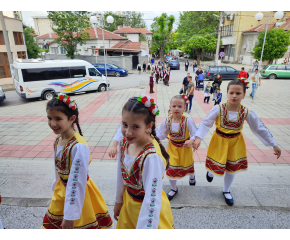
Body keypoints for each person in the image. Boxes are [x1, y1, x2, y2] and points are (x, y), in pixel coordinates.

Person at [193, 79, 281, 206]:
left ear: (244, 95)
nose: (234, 96)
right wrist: (198, 137)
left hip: (235, 143)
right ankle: (210, 172)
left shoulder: (246, 112)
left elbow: (259, 128)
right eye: (231, 92)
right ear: (227, 93)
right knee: (216, 161)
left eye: (238, 93)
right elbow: (206, 123)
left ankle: (226, 190)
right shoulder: (218, 109)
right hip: (219, 141)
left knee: (231, 168)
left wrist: (273, 144)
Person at [43, 94, 113, 229]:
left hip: (77, 195)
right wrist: (55, 186)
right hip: (62, 191)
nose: (52, 123)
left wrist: (70, 215)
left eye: (58, 118)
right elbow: (57, 169)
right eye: (49, 118)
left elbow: (76, 182)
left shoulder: (78, 146)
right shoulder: (58, 140)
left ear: (72, 118)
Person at [114, 95, 174, 229]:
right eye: (124, 125)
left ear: (148, 126)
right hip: (128, 203)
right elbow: (120, 174)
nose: (128, 132)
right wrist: (118, 200)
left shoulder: (151, 157)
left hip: (147, 212)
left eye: (135, 127)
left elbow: (152, 199)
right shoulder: (124, 142)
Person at [157, 95, 198, 201]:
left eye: (179, 106)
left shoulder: (187, 120)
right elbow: (161, 134)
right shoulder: (166, 121)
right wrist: (153, 137)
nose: (176, 108)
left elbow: (195, 133)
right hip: (173, 148)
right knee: (171, 168)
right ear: (170, 107)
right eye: (174, 106)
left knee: (187, 164)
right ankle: (174, 188)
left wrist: (192, 140)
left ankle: (192, 177)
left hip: (185, 148)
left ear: (184, 108)